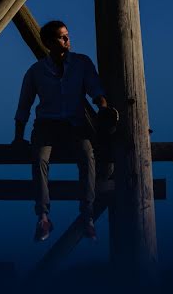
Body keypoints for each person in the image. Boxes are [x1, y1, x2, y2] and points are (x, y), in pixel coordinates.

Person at [12, 20, 114, 242]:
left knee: (88, 157)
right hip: (46, 125)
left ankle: (87, 214)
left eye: (67, 35)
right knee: (39, 160)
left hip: (74, 125)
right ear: (48, 43)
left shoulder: (81, 63)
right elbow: (24, 105)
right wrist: (18, 137)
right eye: (61, 37)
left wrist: (104, 107)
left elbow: (95, 89)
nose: (67, 40)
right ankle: (44, 217)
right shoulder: (37, 71)